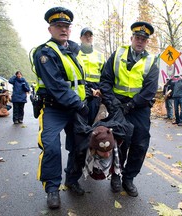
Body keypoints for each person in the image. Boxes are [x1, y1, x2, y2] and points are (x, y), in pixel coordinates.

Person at [30, 7, 89, 209]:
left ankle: (71, 180)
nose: (63, 29)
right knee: (51, 148)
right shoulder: (44, 53)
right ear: (50, 29)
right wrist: (80, 104)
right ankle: (52, 189)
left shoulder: (72, 51)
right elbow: (56, 85)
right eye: (58, 26)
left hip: (74, 109)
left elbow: (78, 81)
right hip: (54, 108)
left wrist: (89, 94)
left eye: (66, 26)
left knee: (80, 146)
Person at [100, 21, 159, 197]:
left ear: (147, 42)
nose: (140, 41)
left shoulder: (151, 61)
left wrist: (131, 105)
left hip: (138, 107)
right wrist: (112, 103)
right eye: (137, 38)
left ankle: (129, 178)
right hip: (117, 105)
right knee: (119, 143)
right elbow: (105, 80)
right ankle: (116, 176)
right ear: (131, 38)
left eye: (144, 39)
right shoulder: (118, 54)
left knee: (140, 144)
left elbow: (149, 90)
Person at [77, 27, 105, 125]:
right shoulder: (75, 54)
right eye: (85, 36)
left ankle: (90, 139)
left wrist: (100, 90)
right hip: (80, 89)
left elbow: (105, 76)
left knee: (93, 122)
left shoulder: (100, 55)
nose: (88, 38)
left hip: (95, 91)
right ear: (81, 38)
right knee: (79, 123)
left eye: (90, 36)